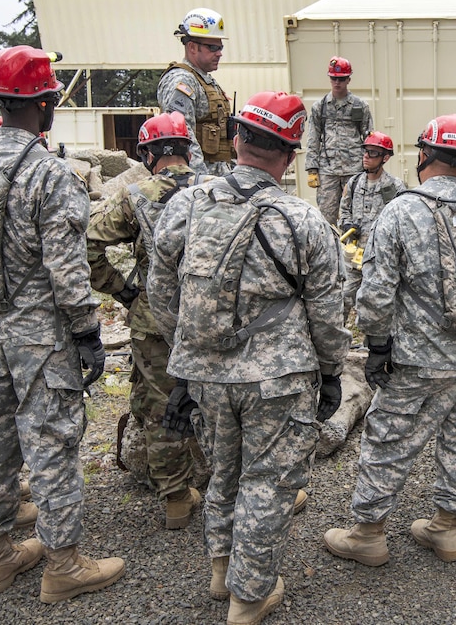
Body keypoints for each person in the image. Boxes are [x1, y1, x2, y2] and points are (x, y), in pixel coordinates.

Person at [148, 91, 351, 624]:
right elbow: (328, 311)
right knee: (269, 480)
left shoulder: (186, 205)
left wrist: (189, 351)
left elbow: (161, 292)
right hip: (277, 377)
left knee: (224, 471)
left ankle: (222, 570)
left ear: (237, 139)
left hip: (207, 374)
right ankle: (250, 595)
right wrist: (331, 371)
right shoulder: (302, 220)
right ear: (290, 154)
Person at [0, 46, 124, 602]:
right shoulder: (50, 176)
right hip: (39, 339)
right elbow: (67, 269)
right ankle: (63, 566)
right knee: (50, 444)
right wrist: (88, 333)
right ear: (44, 104)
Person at [323, 114, 456, 567]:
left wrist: (377, 346)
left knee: (389, 438)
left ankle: (368, 535)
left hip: (417, 360)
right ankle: (446, 530)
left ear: (424, 156)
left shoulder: (400, 211)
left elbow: (375, 294)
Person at [86, 112, 206, 529]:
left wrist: (119, 289)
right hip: (207, 319)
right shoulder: (214, 191)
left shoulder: (134, 195)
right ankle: (228, 479)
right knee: (220, 399)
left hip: (153, 319)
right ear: (188, 149)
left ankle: (175, 497)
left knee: (158, 404)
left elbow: (88, 244)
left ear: (147, 153)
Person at [337, 131, 406, 323]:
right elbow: (343, 211)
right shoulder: (354, 183)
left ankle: (376, 346)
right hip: (354, 256)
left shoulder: (396, 187)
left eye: (373, 153)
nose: (366, 157)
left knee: (376, 307)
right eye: (365, 152)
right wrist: (347, 224)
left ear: (385, 158)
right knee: (343, 299)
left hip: (380, 260)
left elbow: (403, 223)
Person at [157, 8, 233, 174]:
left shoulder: (205, 80)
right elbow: (183, 136)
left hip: (218, 177)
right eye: (213, 47)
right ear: (192, 47)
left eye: (221, 47)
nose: (219, 53)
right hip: (200, 183)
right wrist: (200, 181)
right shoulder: (182, 80)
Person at [304, 56, 374, 225]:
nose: (337, 83)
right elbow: (313, 137)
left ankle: (354, 250)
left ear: (348, 79)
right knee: (327, 218)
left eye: (341, 79)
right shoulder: (320, 107)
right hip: (328, 171)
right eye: (334, 78)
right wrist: (312, 169)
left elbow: (368, 138)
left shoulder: (359, 106)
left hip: (354, 169)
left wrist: (371, 166)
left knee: (356, 216)